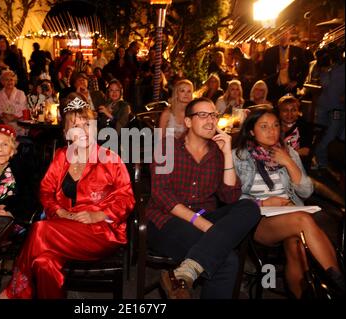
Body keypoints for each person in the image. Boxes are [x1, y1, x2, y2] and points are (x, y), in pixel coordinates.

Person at [0, 93, 135, 298]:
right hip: (62, 228)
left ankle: (13, 291)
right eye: (76, 126)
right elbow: (45, 191)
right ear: (66, 133)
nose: (84, 132)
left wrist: (99, 214)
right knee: (44, 263)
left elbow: (127, 199)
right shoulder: (62, 157)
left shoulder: (110, 159)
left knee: (39, 229)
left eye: (88, 124)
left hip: (100, 232)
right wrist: (59, 211)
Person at [147, 97, 261, 299]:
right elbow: (161, 194)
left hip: (206, 217)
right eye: (203, 115)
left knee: (249, 207)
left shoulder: (217, 153)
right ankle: (187, 271)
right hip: (167, 221)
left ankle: (187, 271)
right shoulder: (167, 146)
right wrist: (203, 225)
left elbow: (230, 196)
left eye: (213, 115)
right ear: (188, 122)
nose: (210, 120)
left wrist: (227, 153)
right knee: (228, 261)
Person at [232, 106, 344, 298]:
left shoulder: (288, 152)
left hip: (289, 216)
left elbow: (306, 191)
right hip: (256, 219)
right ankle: (338, 284)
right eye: (264, 126)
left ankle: (306, 295)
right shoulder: (238, 156)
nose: (272, 131)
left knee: (297, 246)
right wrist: (264, 204)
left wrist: (289, 162)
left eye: (275, 125)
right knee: (303, 221)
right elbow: (229, 197)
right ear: (251, 131)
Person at [262, 30, 309, 103]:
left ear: (290, 36)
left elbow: (305, 69)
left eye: (286, 34)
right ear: (278, 36)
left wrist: (297, 81)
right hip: (274, 86)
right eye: (282, 34)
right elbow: (263, 68)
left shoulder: (297, 51)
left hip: (290, 87)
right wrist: (277, 67)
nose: (284, 36)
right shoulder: (270, 52)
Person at [277, 95, 313, 168]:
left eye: (293, 110)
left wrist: (286, 157)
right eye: (285, 110)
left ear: (298, 112)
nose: (289, 114)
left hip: (295, 164)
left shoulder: (304, 126)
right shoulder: (274, 124)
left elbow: (306, 151)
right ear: (279, 112)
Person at [0, 70, 28, 136]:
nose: (9, 82)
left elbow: (23, 109)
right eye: (6, 80)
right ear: (2, 82)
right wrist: (4, 115)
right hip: (3, 124)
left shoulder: (21, 93)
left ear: (15, 81)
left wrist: (13, 117)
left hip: (18, 124)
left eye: (11, 80)